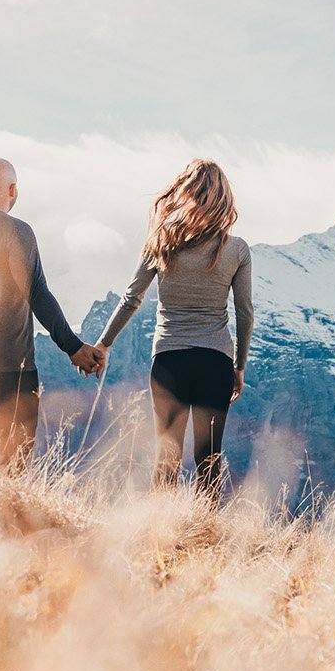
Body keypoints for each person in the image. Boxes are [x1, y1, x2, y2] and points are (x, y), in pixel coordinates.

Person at [95, 159, 252, 501]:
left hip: (169, 359)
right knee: (209, 458)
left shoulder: (161, 242)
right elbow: (244, 312)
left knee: (167, 455)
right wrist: (238, 366)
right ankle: (206, 538)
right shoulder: (237, 250)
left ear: (184, 191)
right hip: (215, 361)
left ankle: (158, 534)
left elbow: (131, 298)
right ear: (224, 198)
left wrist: (103, 344)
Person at [0, 157, 105, 469]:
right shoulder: (17, 230)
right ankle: (2, 519)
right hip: (12, 367)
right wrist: (74, 347)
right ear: (13, 190)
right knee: (13, 463)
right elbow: (37, 293)